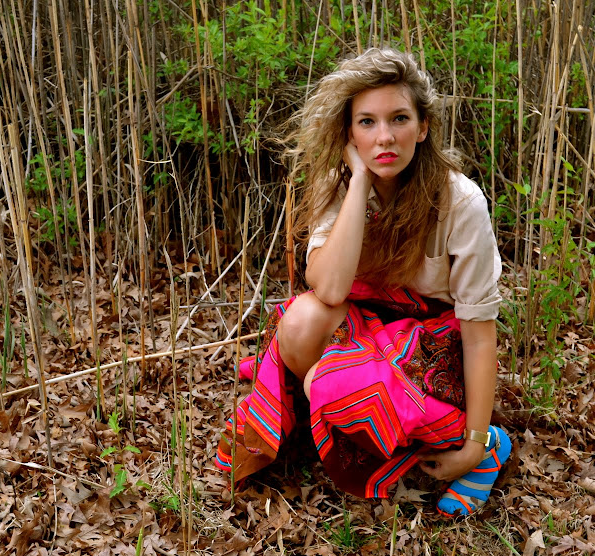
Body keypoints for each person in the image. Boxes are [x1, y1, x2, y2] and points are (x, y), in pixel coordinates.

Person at [215, 47, 511, 517]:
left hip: (435, 344)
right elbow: (329, 290)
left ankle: (486, 445)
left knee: (331, 383)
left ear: (423, 127)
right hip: (369, 327)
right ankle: (347, 427)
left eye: (399, 119)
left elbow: (479, 335)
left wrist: (473, 444)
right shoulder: (340, 185)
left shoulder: (460, 202)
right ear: (349, 134)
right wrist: (358, 184)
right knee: (301, 323)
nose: (385, 137)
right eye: (367, 123)